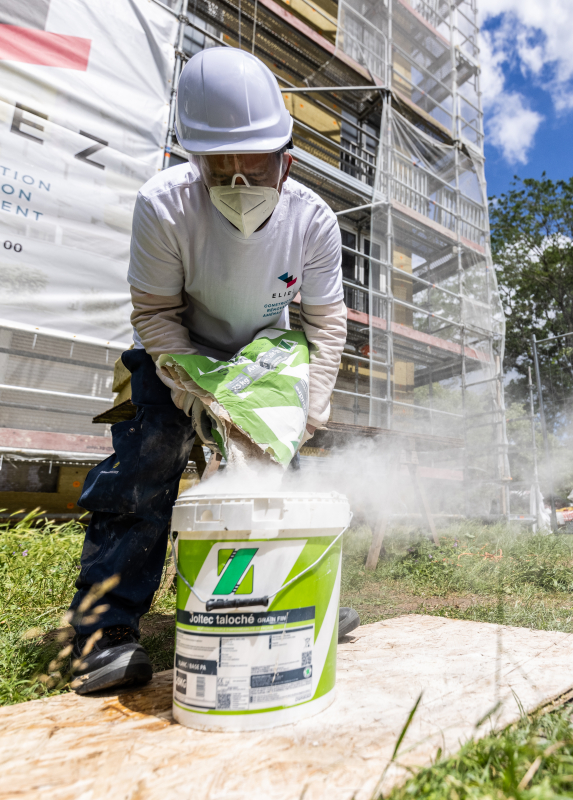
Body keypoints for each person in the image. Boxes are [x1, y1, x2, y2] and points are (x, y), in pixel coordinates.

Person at [69, 47, 359, 695]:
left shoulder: (313, 221)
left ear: (286, 157)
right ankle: (104, 631)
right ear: (192, 159)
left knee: (282, 479)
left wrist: (309, 409)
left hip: (264, 351)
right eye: (217, 165)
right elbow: (153, 311)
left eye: (252, 164)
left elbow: (327, 321)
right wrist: (189, 389)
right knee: (143, 468)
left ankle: (299, 598)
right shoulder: (165, 206)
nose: (236, 180)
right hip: (178, 344)